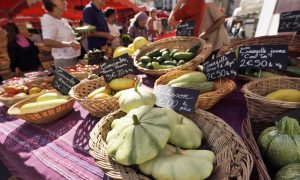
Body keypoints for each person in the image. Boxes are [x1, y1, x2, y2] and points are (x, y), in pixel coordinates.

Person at [41, 0, 81, 69]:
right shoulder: (48, 19)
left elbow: (70, 40)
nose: (66, 3)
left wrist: (83, 35)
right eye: (62, 0)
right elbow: (47, 42)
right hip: (64, 62)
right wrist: (69, 44)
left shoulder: (63, 20)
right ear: (52, 1)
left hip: (73, 59)